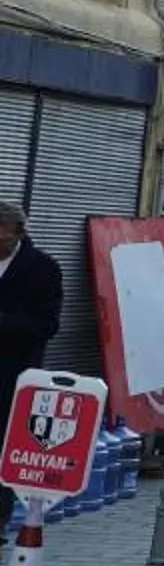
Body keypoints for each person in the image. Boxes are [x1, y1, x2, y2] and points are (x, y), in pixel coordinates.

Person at [0, 202, 63, 542]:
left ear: (17, 233)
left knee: (3, 446)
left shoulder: (41, 268)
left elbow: (47, 325)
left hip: (11, 374)